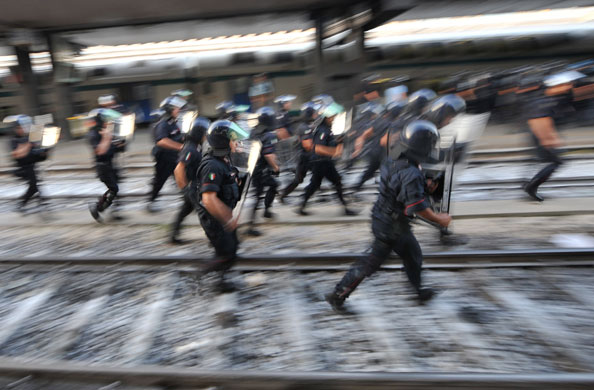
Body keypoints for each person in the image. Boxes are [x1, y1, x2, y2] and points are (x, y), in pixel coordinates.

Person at [326, 120, 452, 313]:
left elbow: (399, 184)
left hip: (390, 219)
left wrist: (423, 186)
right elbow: (417, 207)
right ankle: (337, 295)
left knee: (413, 255)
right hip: (390, 228)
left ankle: (418, 291)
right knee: (369, 264)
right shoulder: (411, 172)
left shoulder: (395, 156)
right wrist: (439, 219)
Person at [196, 119, 249, 292]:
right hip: (215, 217)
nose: (237, 143)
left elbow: (229, 180)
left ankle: (221, 279)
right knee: (226, 252)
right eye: (233, 140)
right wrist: (228, 219)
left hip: (223, 214)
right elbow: (209, 199)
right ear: (223, 142)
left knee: (231, 248)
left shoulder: (224, 160)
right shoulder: (212, 165)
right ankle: (203, 275)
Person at [522, 70, 584, 201]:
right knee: (556, 162)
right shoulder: (544, 101)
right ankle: (531, 186)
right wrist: (549, 139)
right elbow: (539, 122)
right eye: (566, 84)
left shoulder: (553, 98)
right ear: (557, 85)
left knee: (543, 160)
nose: (569, 86)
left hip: (542, 134)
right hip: (541, 134)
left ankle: (527, 183)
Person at [297, 102, 357, 216]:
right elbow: (318, 148)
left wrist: (339, 141)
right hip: (321, 162)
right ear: (327, 117)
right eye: (332, 117)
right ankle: (345, 208)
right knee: (337, 182)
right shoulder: (322, 130)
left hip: (321, 161)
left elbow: (330, 144)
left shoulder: (327, 129)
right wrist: (334, 150)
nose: (334, 119)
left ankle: (301, 205)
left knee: (314, 184)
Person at [169, 117, 210, 244]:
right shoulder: (190, 149)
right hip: (192, 186)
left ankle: (173, 235)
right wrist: (185, 188)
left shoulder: (196, 146)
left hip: (194, 185)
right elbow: (179, 169)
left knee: (186, 210)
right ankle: (214, 238)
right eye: (204, 133)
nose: (206, 136)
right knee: (204, 212)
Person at [147, 96, 187, 212]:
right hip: (164, 158)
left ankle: (188, 201)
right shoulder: (163, 124)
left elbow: (177, 137)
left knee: (182, 178)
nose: (178, 110)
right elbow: (161, 141)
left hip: (174, 157)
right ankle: (151, 202)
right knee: (160, 180)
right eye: (176, 108)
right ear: (169, 110)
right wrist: (181, 147)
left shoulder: (173, 122)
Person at [87, 108, 127, 222]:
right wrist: (107, 137)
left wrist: (121, 143)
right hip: (102, 166)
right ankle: (97, 208)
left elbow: (116, 147)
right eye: (106, 121)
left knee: (115, 188)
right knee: (114, 188)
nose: (108, 123)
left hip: (111, 165)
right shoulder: (93, 134)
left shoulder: (106, 131)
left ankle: (111, 211)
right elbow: (100, 151)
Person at [246, 107, 280, 236]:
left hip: (253, 168)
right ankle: (250, 225)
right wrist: (276, 167)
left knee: (273, 185)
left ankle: (266, 211)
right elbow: (268, 155)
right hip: (261, 170)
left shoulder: (253, 131)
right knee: (257, 196)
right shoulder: (269, 135)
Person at [278, 101, 319, 202]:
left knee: (315, 176)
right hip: (305, 158)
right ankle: (290, 196)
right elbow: (307, 145)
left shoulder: (310, 125)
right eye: (315, 112)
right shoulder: (304, 127)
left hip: (307, 157)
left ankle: (288, 196)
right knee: (301, 179)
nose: (316, 114)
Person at [7, 115, 48, 213]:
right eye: (20, 128)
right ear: (16, 129)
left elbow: (35, 152)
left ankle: (41, 203)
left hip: (32, 166)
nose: (22, 129)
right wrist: (28, 145)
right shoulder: (14, 140)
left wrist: (43, 150)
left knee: (35, 186)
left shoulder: (28, 138)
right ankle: (22, 204)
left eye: (23, 127)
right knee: (34, 186)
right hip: (23, 168)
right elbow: (16, 154)